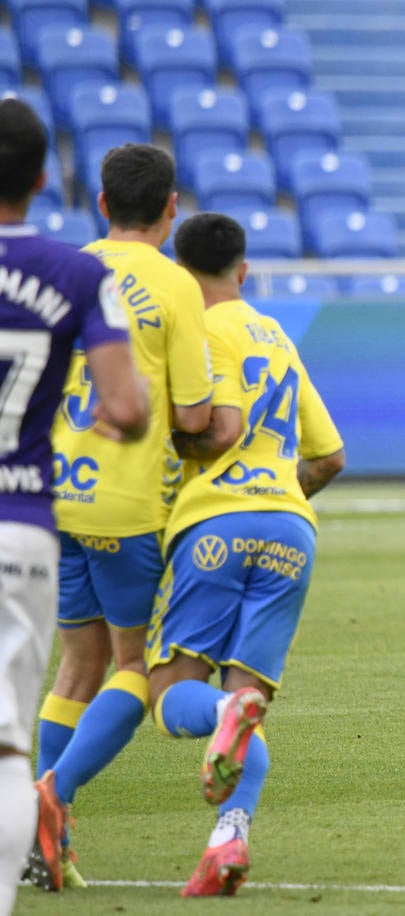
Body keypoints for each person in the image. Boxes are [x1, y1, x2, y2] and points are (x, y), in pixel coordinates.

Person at [31, 142, 215, 891]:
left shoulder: (65, 270)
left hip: (52, 496)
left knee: (76, 665)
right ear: (173, 209)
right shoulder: (174, 286)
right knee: (135, 667)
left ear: (99, 205)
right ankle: (50, 798)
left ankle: (38, 837)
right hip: (128, 503)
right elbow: (197, 413)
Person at [146, 212, 344, 896]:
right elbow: (329, 455)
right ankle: (228, 841)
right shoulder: (275, 334)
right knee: (247, 697)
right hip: (291, 529)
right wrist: (276, 497)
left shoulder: (194, 330)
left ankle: (225, 720)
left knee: (172, 694)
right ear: (245, 269)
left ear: (179, 268)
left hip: (215, 524)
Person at [0, 97, 149, 910]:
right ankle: (32, 839)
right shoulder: (75, 273)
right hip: (28, 516)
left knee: (77, 670)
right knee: (10, 739)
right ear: (47, 177)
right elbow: (126, 408)